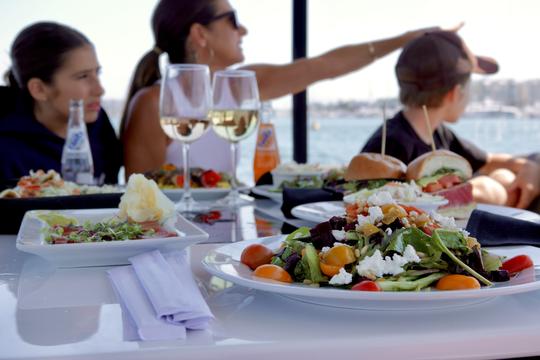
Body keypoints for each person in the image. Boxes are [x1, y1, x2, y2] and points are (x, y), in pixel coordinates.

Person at [120, 0, 454, 178]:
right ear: (199, 34)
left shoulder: (238, 87)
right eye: (232, 19)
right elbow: (143, 202)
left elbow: (322, 66)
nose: (244, 30)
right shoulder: (154, 103)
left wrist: (405, 40)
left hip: (223, 234)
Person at [361, 30, 540, 209]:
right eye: (469, 87)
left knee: (503, 175)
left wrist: (529, 167)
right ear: (454, 93)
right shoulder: (391, 144)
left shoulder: (439, 133)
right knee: (491, 185)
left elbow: (488, 160)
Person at [0, 22, 122, 187]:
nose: (100, 89)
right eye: (83, 76)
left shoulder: (99, 125)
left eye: (97, 73)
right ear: (39, 89)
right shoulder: (7, 151)